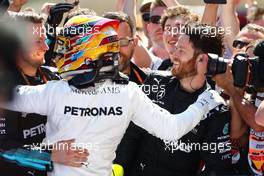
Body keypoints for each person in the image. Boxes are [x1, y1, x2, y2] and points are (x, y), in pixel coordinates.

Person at [2, 15, 224, 176]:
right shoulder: (128, 93)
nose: (60, 52)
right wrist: (204, 102)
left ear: (86, 50)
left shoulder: (55, 91)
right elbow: (172, 129)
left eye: (68, 46)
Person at [113, 22, 235, 176]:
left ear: (202, 60)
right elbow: (128, 138)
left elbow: (217, 169)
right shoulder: (154, 82)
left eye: (181, 50)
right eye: (175, 48)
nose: (173, 55)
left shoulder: (215, 107)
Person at [0, 11, 88, 176]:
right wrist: (49, 154)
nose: (46, 47)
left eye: (45, 40)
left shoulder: (53, 76)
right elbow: (3, 149)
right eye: (37, 41)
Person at [214, 40, 264, 175]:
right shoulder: (253, 96)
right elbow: (236, 133)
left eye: (258, 63)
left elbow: (258, 121)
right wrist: (237, 87)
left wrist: (231, 89)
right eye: (248, 63)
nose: (253, 67)